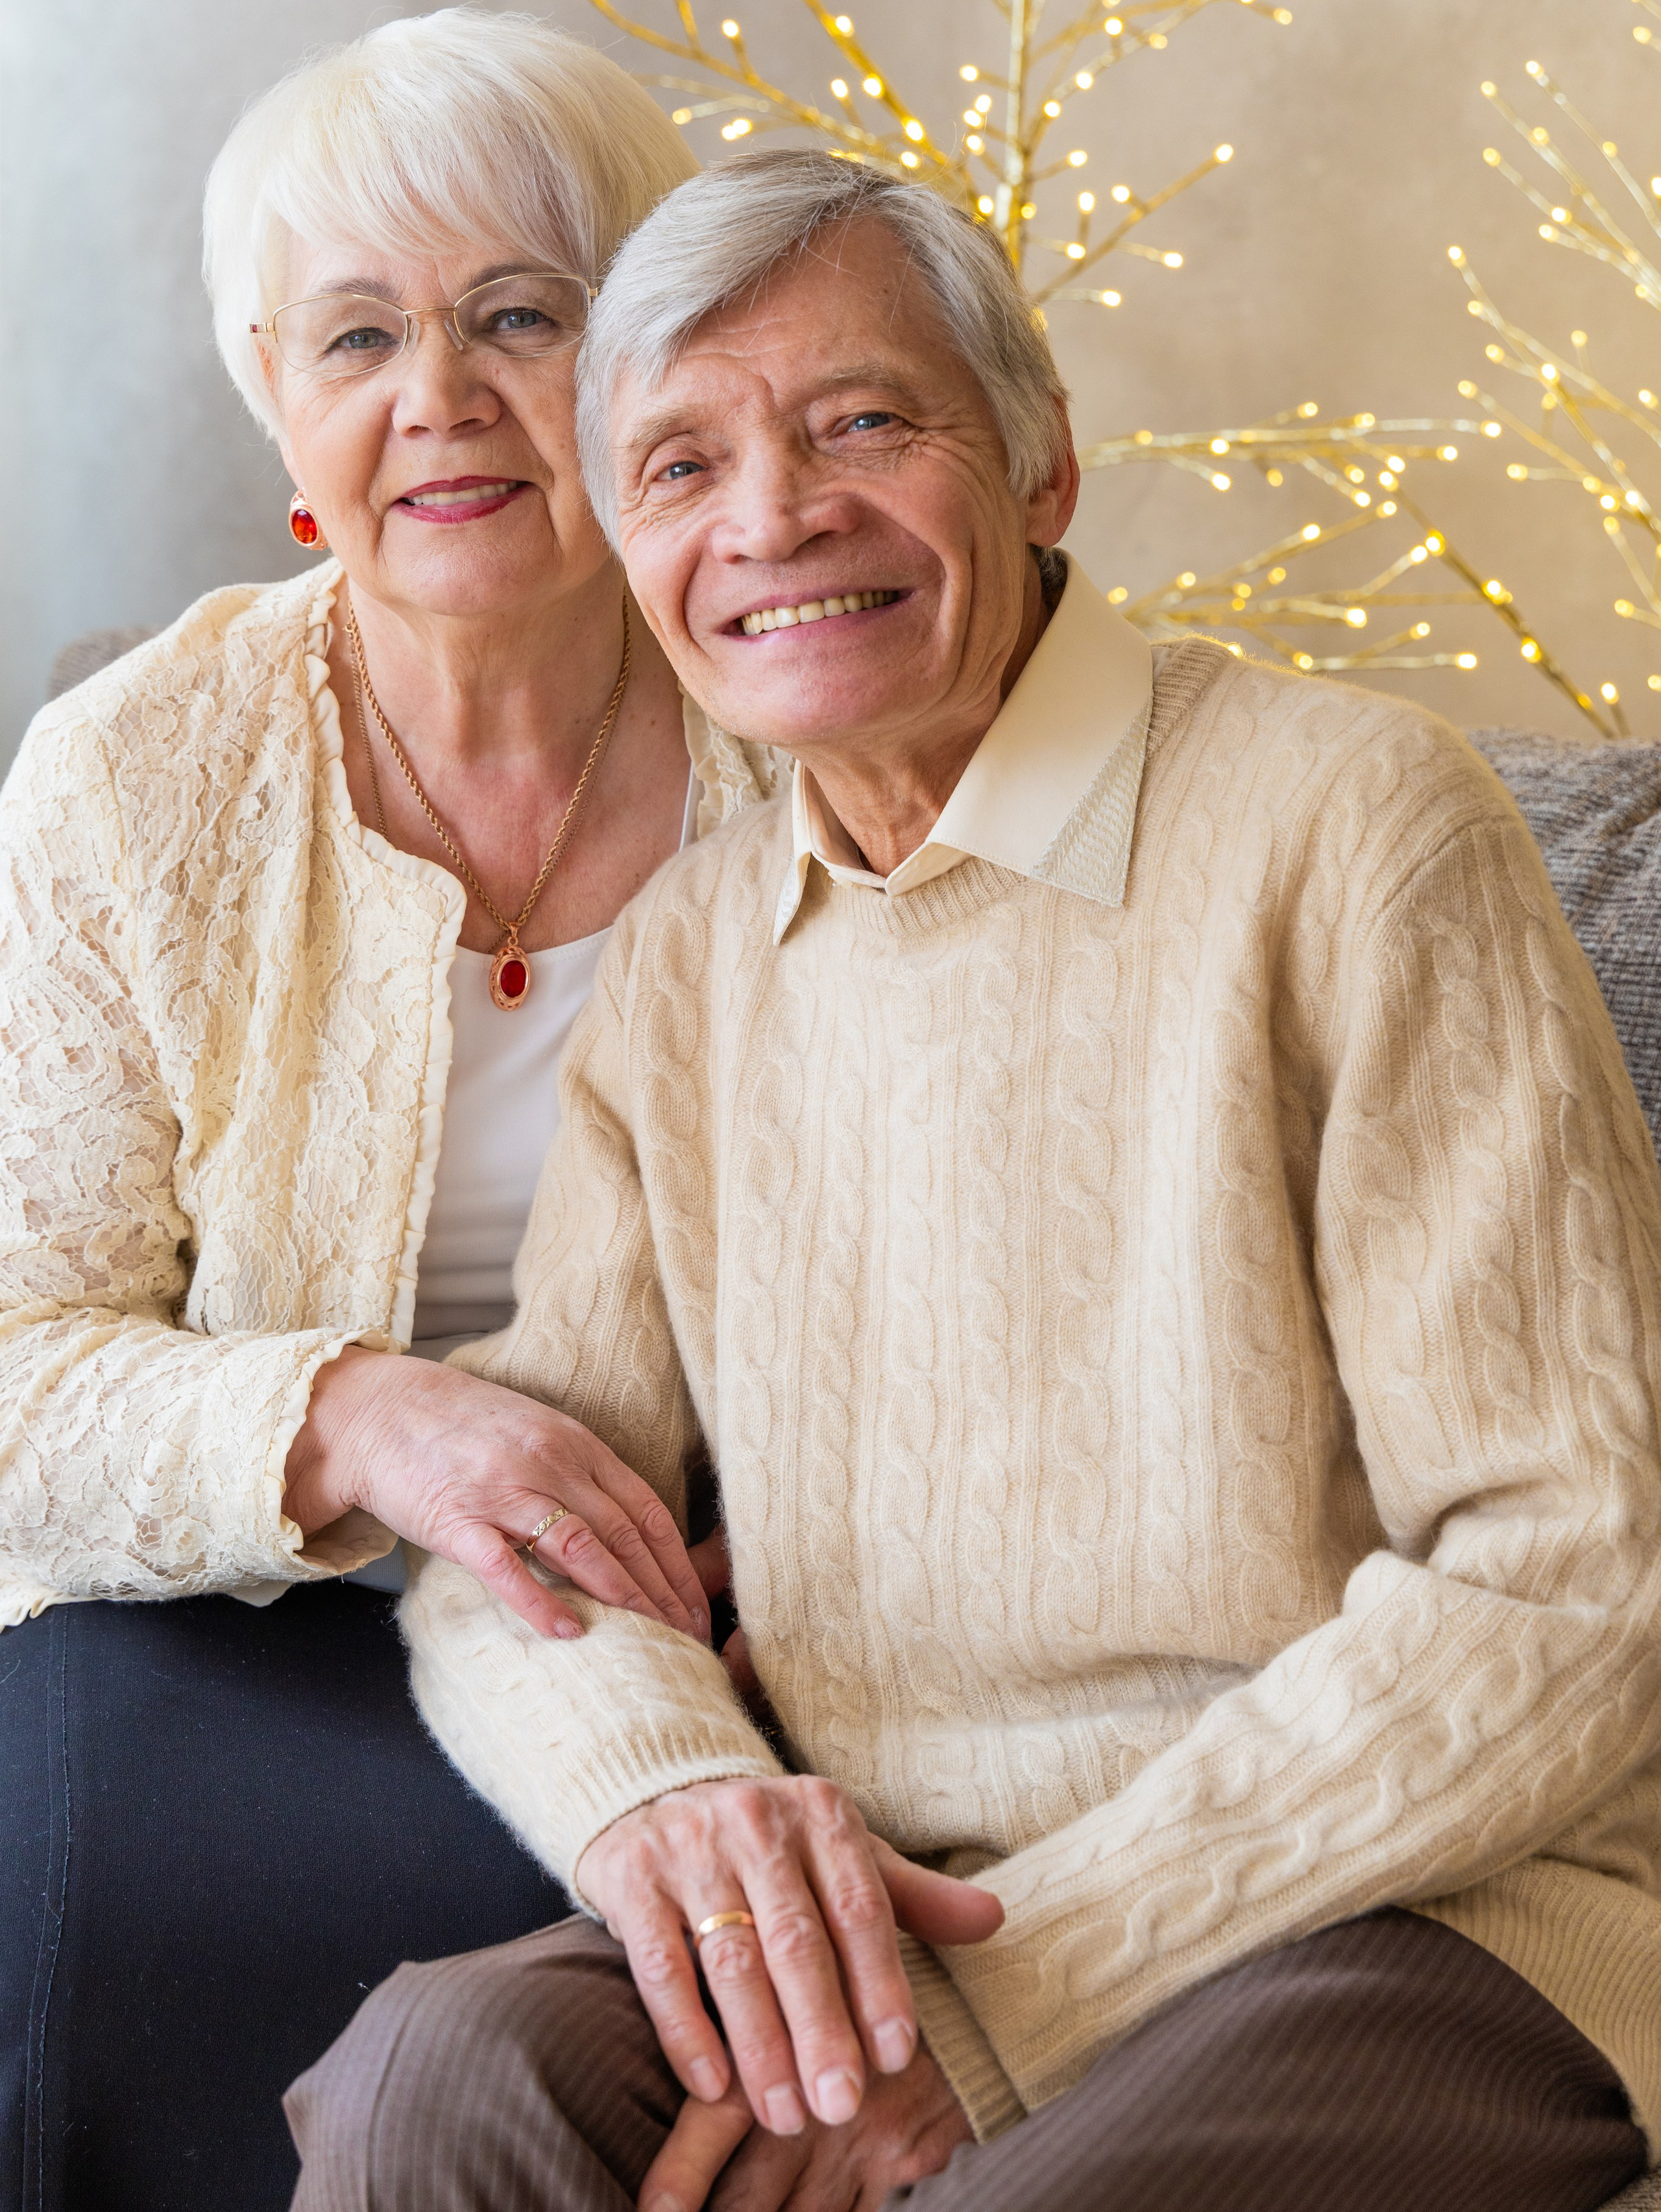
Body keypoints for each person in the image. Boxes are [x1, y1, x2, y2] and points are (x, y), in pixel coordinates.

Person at [289, 152, 1661, 2212]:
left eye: (861, 423)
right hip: (895, 1903)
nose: (772, 521)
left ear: (1041, 472)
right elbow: (540, 1537)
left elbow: (1571, 1572)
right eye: (678, 466)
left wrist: (1018, 2005)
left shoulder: (1360, 828)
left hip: (1418, 1903)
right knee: (433, 2085)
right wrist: (672, 1808)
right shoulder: (686, 958)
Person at [0, 9, 781, 2212]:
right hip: (225, 1622)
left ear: (644, 358)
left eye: (516, 315)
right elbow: (16, 1353)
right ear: (287, 411)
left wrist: (828, 1540)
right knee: (117, 1952)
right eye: (357, 335)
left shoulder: (809, 711)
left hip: (711, 1614)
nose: (434, 392)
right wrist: (371, 1423)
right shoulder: (139, 774)